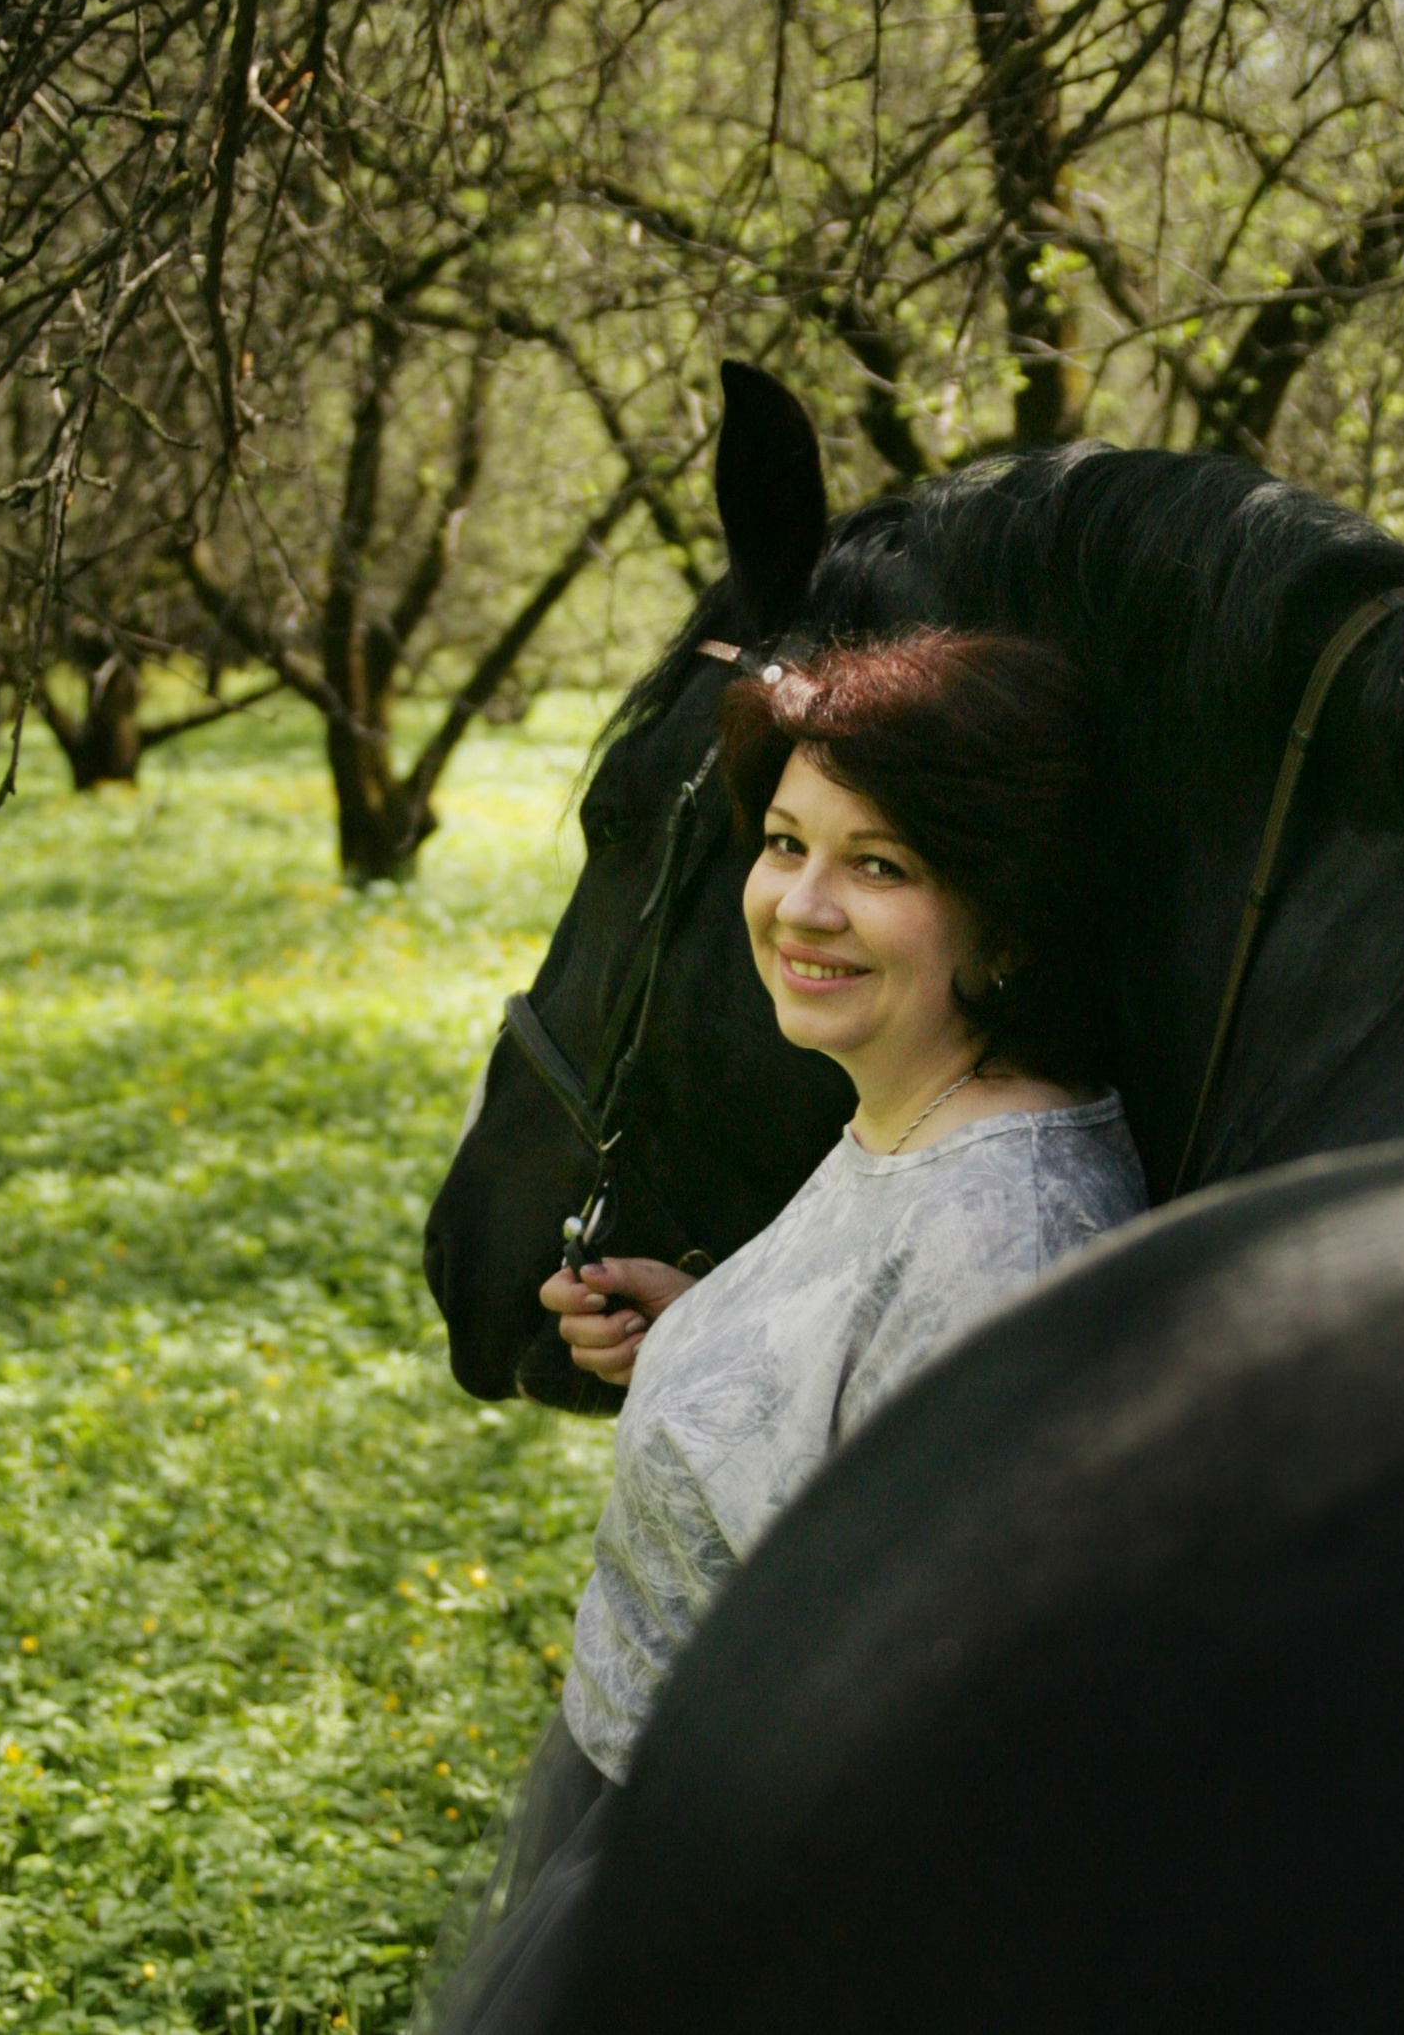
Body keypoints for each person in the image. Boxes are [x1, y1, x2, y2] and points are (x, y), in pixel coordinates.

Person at [427, 630, 1146, 2031]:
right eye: (783, 844)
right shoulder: (906, 1102)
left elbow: (936, 1742)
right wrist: (711, 1336)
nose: (799, 905)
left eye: (879, 865)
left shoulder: (1007, 1231)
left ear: (1007, 915)